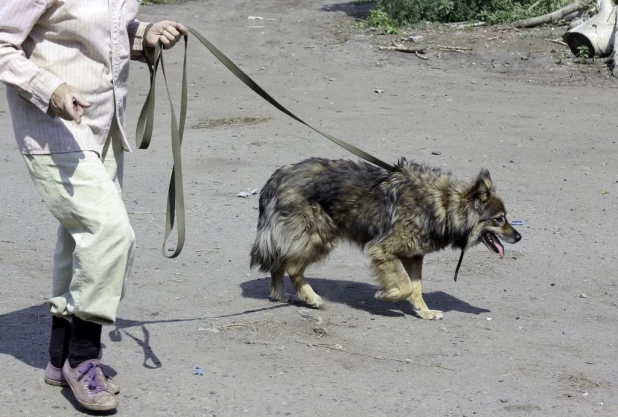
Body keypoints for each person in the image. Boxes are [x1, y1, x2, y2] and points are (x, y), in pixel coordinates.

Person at [0, 1, 187, 411]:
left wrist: (143, 35)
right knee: (109, 234)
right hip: (51, 127)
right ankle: (83, 358)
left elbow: (105, 24)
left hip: (103, 125)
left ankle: (58, 358)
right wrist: (49, 88)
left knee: (81, 240)